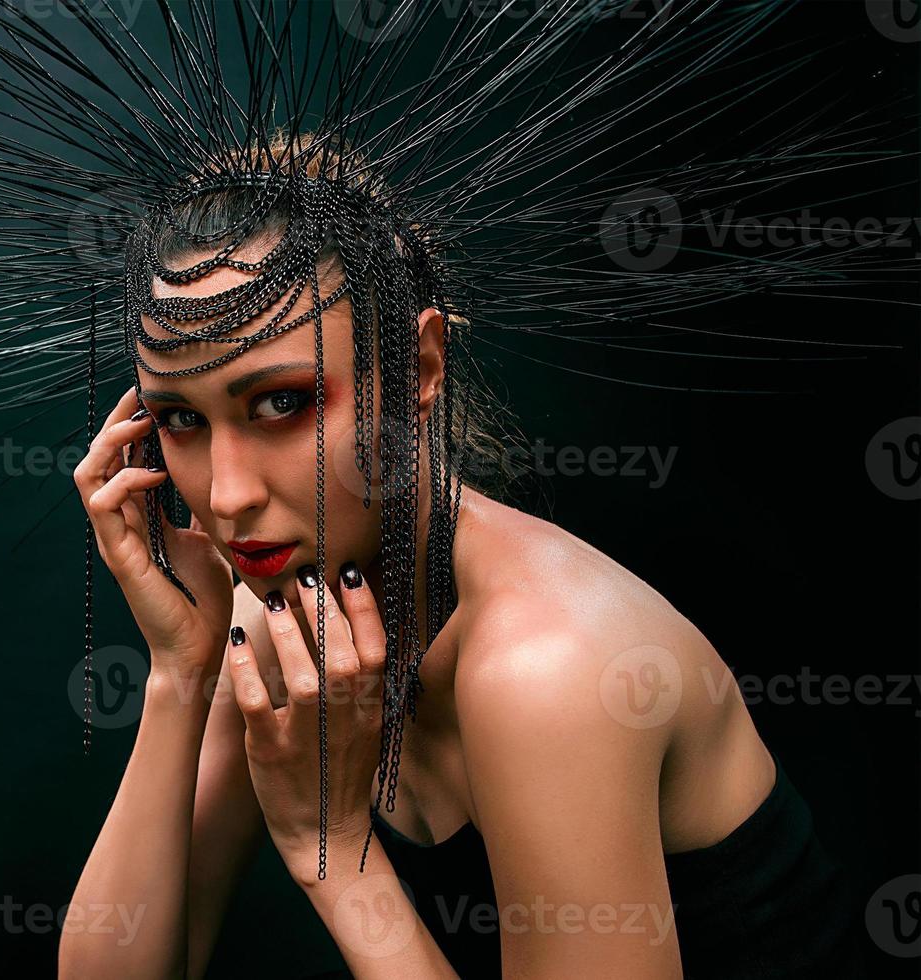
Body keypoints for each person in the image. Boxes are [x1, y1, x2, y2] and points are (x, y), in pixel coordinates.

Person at [59, 140, 863, 979]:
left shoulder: (546, 668)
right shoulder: (281, 620)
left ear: (419, 367)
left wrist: (330, 851)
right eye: (182, 420)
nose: (224, 497)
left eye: (282, 403)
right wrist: (177, 668)